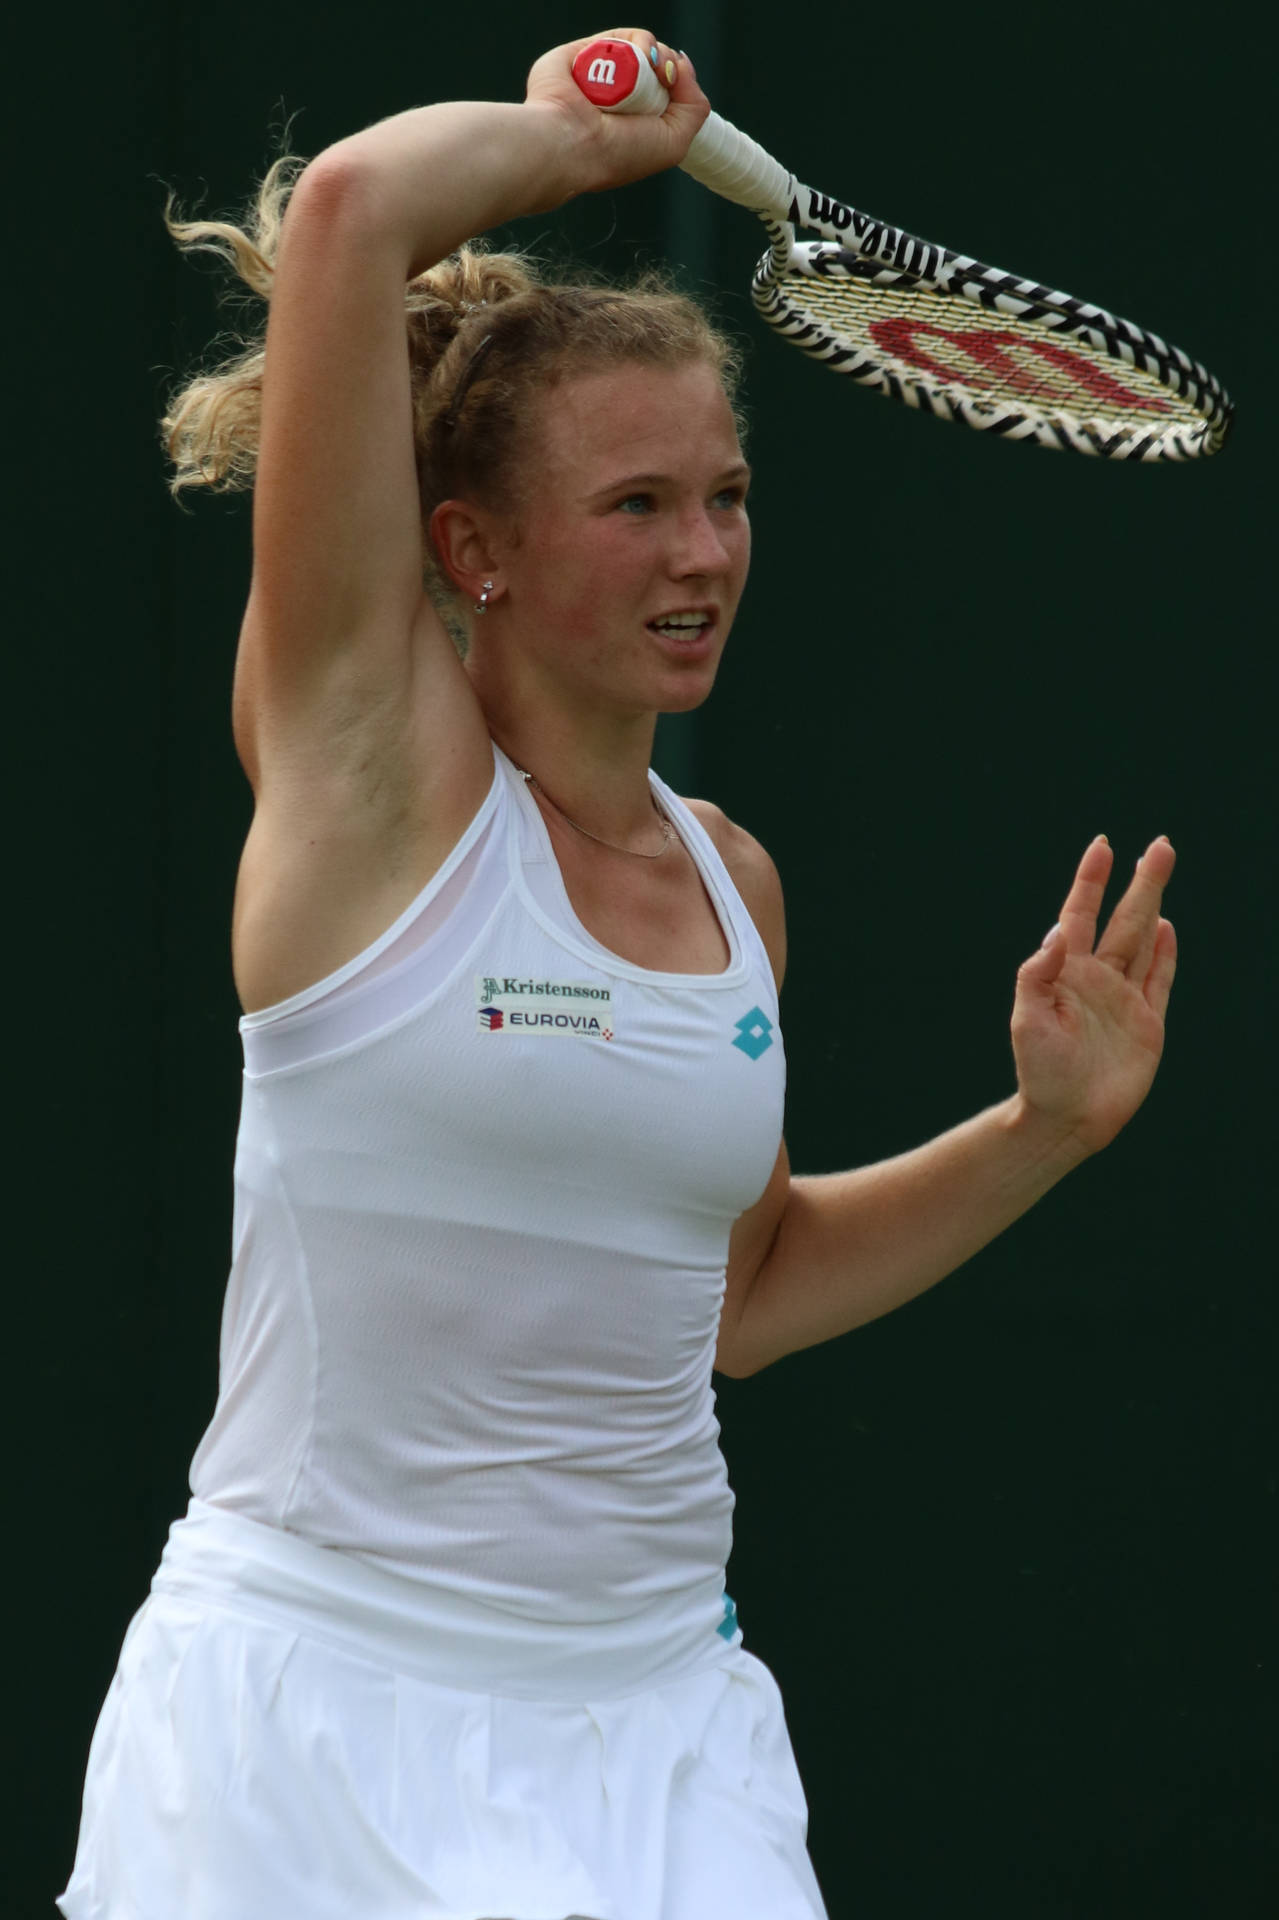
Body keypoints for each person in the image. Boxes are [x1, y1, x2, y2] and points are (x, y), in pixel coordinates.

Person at [58, 28, 1177, 1920]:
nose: (706, 554)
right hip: (310, 1718)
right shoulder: (364, 788)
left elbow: (733, 1294)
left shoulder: (732, 885)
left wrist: (1042, 1131)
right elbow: (350, 211)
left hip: (664, 1727)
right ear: (469, 550)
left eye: (726, 496)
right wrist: (564, 142)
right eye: (637, 505)